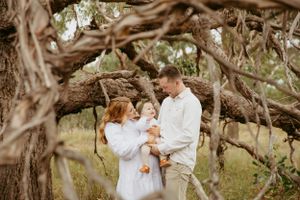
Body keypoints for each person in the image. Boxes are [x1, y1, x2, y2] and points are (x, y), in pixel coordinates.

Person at [148, 65, 202, 200]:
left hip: (179, 161)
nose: (164, 90)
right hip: (163, 160)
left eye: (166, 87)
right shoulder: (167, 102)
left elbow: (188, 136)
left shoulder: (191, 103)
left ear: (177, 82)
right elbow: (160, 126)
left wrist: (160, 149)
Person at [99, 97, 163, 200]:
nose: (134, 111)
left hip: (152, 175)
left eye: (133, 108)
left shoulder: (136, 122)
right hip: (133, 177)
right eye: (130, 110)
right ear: (121, 113)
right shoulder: (112, 128)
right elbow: (123, 151)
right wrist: (144, 138)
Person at [135, 100, 171, 174]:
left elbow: (159, 127)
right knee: (144, 150)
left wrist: (158, 128)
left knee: (161, 144)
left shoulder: (154, 120)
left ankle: (163, 160)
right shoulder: (142, 120)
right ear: (141, 113)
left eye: (152, 108)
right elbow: (140, 127)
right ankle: (146, 165)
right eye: (148, 109)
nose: (151, 110)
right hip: (146, 141)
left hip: (155, 139)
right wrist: (147, 120)